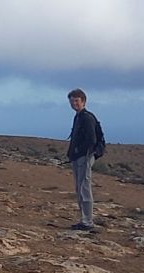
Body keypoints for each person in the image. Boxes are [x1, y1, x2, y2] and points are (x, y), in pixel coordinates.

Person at [65, 88, 106, 231]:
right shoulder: (78, 117)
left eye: (76, 100)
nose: (74, 103)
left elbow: (91, 139)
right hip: (78, 157)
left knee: (84, 187)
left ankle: (87, 221)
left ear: (83, 101)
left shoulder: (87, 117)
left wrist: (80, 152)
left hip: (85, 156)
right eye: (72, 101)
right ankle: (84, 219)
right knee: (79, 187)